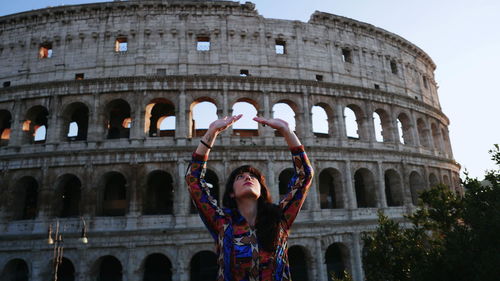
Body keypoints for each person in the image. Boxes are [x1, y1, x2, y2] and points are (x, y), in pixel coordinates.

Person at [185, 114, 314, 281]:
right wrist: (211, 133)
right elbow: (193, 179)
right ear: (231, 192)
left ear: (261, 190)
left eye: (253, 177)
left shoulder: (279, 218)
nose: (247, 178)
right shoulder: (222, 222)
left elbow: (305, 176)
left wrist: (287, 132)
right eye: (240, 177)